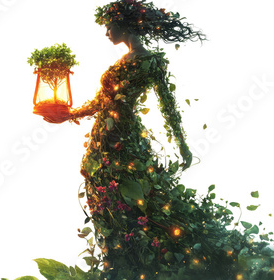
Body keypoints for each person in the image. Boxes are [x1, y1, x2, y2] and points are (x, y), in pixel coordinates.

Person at [43, 1, 273, 279]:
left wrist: (183, 146)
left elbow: (167, 103)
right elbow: (101, 102)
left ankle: (142, 261)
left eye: (108, 26)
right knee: (104, 198)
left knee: (134, 201)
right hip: (102, 141)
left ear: (124, 25)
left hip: (124, 141)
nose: (106, 33)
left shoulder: (150, 61)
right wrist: (68, 115)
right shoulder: (121, 61)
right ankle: (117, 260)